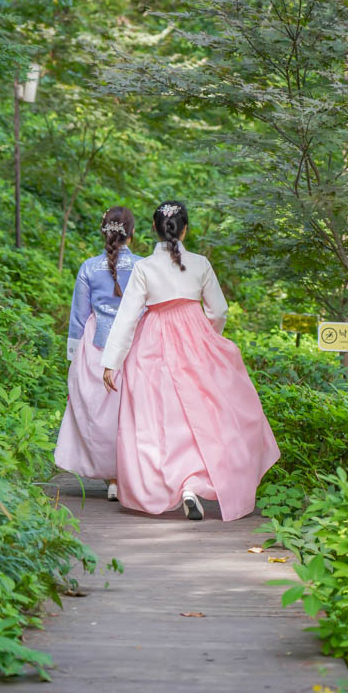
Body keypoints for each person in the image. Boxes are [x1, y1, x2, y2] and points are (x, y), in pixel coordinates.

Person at [101, 201, 279, 521]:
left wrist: (111, 361)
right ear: (185, 229)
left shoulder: (144, 268)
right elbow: (219, 310)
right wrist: (207, 336)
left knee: (160, 419)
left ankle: (168, 485)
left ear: (154, 229)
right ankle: (192, 484)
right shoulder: (200, 264)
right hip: (196, 340)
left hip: (152, 343)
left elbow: (127, 318)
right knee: (203, 415)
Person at [54, 206, 141, 500]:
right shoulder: (144, 267)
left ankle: (111, 478)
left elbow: (79, 317)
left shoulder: (89, 268)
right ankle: (127, 475)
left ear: (103, 231)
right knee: (130, 412)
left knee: (99, 413)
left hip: (96, 345)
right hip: (135, 346)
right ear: (133, 233)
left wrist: (73, 358)